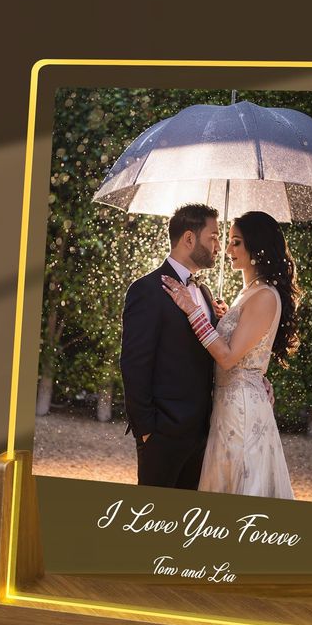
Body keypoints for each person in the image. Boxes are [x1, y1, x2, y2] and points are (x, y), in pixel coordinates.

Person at [161, 210, 300, 499]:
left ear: (257, 247)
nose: (227, 250)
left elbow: (227, 357)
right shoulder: (247, 293)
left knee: (241, 485)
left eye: (236, 242)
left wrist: (193, 311)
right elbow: (244, 347)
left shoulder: (263, 296)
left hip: (242, 412)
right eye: (228, 241)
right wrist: (223, 318)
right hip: (228, 407)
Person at [120, 203, 226, 489]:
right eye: (213, 236)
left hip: (202, 434)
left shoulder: (204, 292)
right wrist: (148, 431)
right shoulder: (147, 289)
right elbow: (134, 364)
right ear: (189, 238)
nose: (219, 245)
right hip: (163, 436)